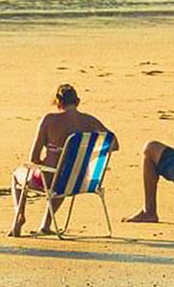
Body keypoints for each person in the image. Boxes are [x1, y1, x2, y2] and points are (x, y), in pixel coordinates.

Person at [9, 84, 119, 236]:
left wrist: (43, 162)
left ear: (58, 102)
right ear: (78, 101)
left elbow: (33, 158)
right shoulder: (89, 121)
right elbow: (114, 143)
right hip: (76, 180)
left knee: (16, 175)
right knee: (66, 174)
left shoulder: (49, 120)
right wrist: (90, 154)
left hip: (49, 180)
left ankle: (18, 216)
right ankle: (46, 224)